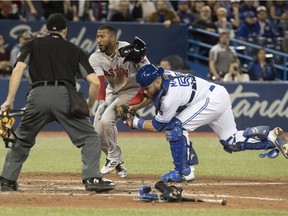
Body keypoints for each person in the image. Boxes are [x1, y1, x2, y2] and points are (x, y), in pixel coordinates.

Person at [0, 13, 115, 192]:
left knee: (22, 139)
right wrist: (88, 106)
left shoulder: (32, 44)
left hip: (37, 95)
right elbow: (95, 82)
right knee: (90, 138)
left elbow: (18, 69)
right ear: (65, 31)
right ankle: (92, 178)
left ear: (46, 29)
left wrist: (9, 100)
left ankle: (7, 180)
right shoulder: (74, 49)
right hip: (65, 97)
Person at [123, 64, 288, 182]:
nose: (144, 90)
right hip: (216, 94)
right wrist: (134, 107)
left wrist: (135, 122)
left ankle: (183, 172)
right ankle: (271, 137)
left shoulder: (169, 97)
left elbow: (158, 126)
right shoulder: (163, 75)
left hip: (211, 99)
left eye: (147, 86)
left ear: (157, 81)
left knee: (174, 127)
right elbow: (150, 95)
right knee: (230, 141)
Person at [89, 24, 149, 178]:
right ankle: (118, 162)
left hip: (131, 90)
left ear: (113, 38)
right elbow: (100, 82)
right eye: (97, 36)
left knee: (107, 121)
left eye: (102, 36)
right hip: (112, 90)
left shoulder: (130, 49)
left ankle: (113, 157)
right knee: (97, 135)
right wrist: (102, 101)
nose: (99, 40)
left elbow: (148, 72)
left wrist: (140, 98)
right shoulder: (95, 57)